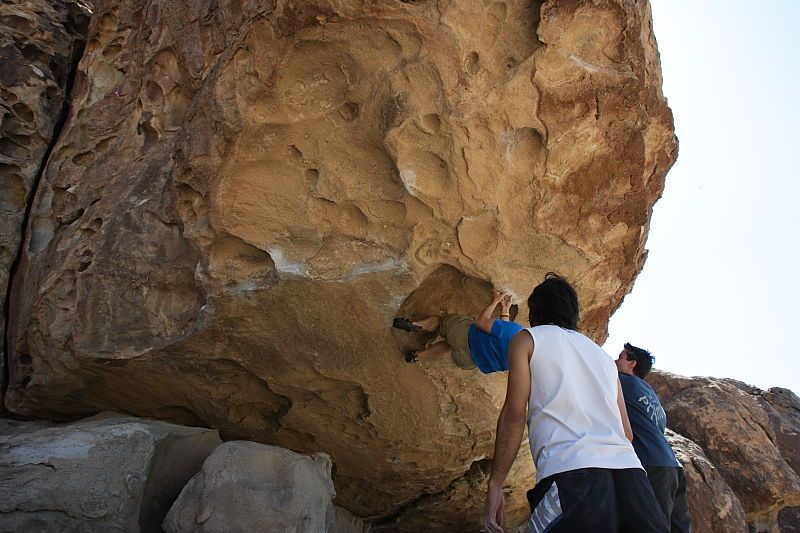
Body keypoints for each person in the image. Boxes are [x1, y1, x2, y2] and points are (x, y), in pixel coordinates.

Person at [484, 273, 669, 533]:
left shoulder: (528, 339)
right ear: (573, 313)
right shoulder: (604, 359)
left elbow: (514, 415)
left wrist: (495, 485)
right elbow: (626, 434)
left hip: (573, 476)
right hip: (633, 480)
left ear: (535, 312)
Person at [616, 343, 692, 533]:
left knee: (649, 526)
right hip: (673, 467)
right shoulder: (649, 392)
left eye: (620, 357)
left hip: (651, 465)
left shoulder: (621, 381)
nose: (615, 361)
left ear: (631, 364)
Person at [392, 289, 522, 372]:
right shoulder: (520, 363)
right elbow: (506, 335)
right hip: (466, 361)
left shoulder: (516, 332)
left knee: (441, 322)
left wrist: (495, 301)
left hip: (465, 334)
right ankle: (417, 356)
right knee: (451, 345)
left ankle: (415, 325)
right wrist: (505, 310)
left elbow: (482, 322)